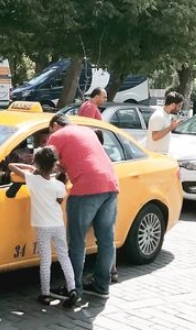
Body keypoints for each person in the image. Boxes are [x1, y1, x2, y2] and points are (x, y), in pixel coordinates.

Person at [48, 113, 119, 299]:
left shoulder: (57, 136)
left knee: (77, 241)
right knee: (106, 240)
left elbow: (45, 164)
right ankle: (102, 286)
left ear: (55, 125)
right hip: (111, 185)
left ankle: (74, 288)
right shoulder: (87, 131)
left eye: (50, 130)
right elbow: (82, 158)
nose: (49, 135)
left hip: (87, 188)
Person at [8, 146, 78, 308]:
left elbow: (12, 167)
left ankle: (45, 294)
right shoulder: (59, 185)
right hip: (58, 225)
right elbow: (59, 199)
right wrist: (46, 168)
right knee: (64, 257)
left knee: (45, 260)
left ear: (37, 164)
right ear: (53, 164)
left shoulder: (32, 180)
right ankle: (72, 289)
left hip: (42, 226)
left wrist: (31, 168)